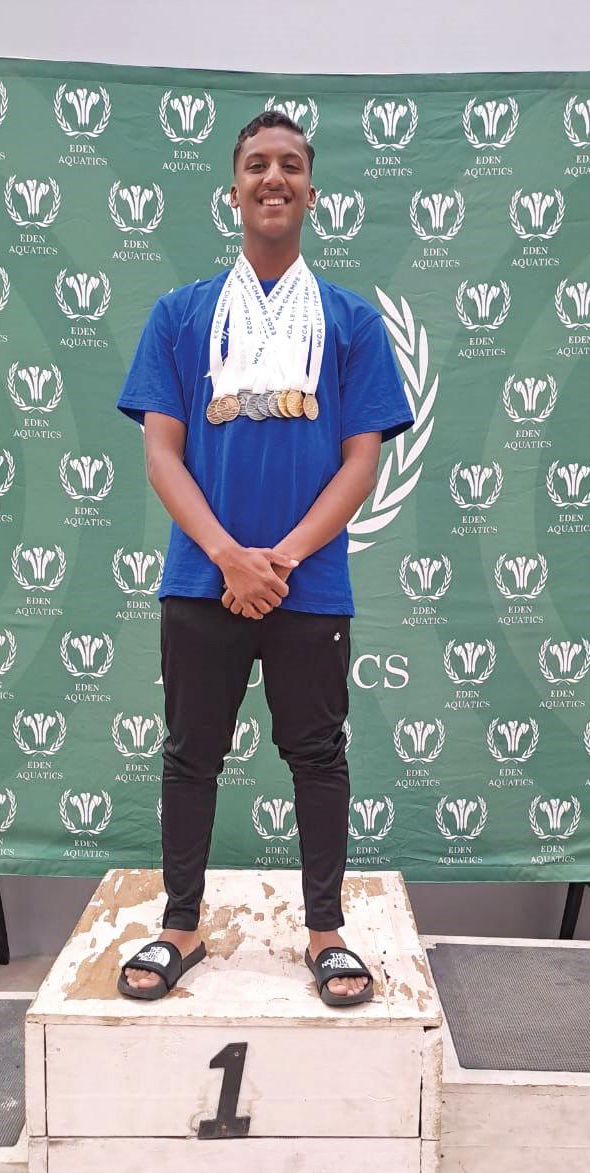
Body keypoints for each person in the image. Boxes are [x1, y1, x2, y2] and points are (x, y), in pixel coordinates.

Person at [115, 109, 413, 1005]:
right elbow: (162, 452)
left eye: (289, 165)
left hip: (307, 584)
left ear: (312, 193)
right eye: (256, 165)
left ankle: (325, 932)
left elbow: (361, 461)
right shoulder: (181, 315)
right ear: (234, 190)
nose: (272, 178)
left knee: (317, 756)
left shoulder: (352, 321)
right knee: (189, 756)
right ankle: (180, 926)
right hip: (200, 579)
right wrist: (226, 557)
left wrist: (276, 559)